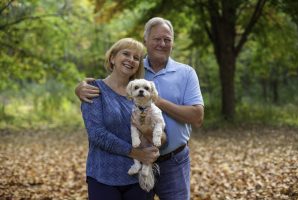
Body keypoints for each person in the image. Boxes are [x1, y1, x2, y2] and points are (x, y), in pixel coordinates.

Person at [76, 17, 204, 200]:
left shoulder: (184, 74)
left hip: (172, 161)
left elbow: (197, 117)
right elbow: (98, 124)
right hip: (122, 168)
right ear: (146, 41)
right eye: (157, 38)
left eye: (167, 39)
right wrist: (79, 88)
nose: (162, 43)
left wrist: (156, 102)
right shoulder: (132, 73)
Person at [81, 38, 162, 200]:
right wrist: (136, 153)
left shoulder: (140, 94)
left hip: (138, 178)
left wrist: (151, 139)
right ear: (112, 58)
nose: (131, 60)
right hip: (103, 176)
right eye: (126, 54)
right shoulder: (94, 89)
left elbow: (158, 130)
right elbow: (96, 134)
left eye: (136, 58)